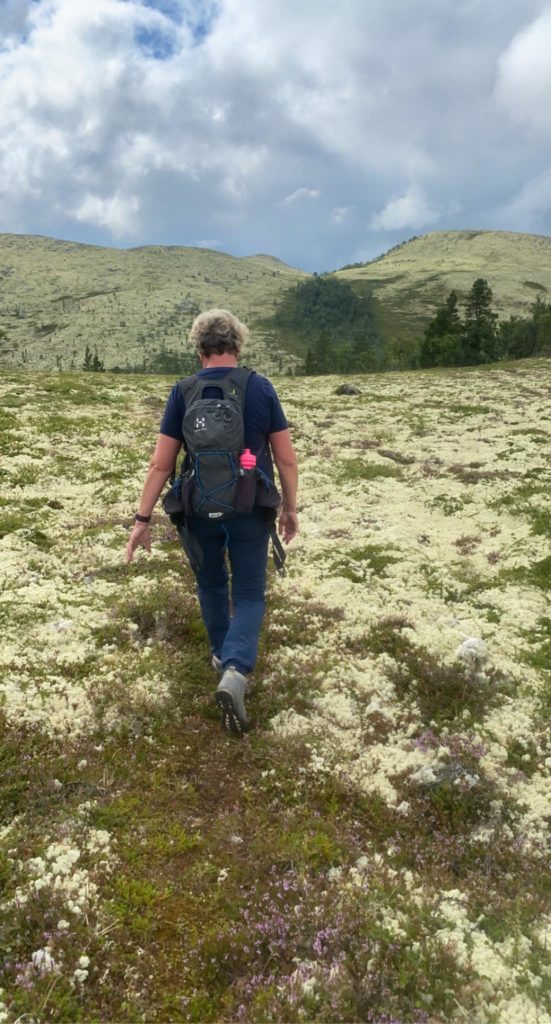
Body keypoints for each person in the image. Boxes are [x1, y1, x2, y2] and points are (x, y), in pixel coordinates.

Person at [125, 308, 298, 735]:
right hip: (250, 507)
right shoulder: (259, 387)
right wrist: (290, 509)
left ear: (199, 349)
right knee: (250, 591)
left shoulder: (183, 391)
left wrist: (142, 519)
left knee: (211, 583)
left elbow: (161, 464)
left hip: (199, 508)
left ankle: (222, 654)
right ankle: (236, 670)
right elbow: (286, 459)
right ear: (237, 345)